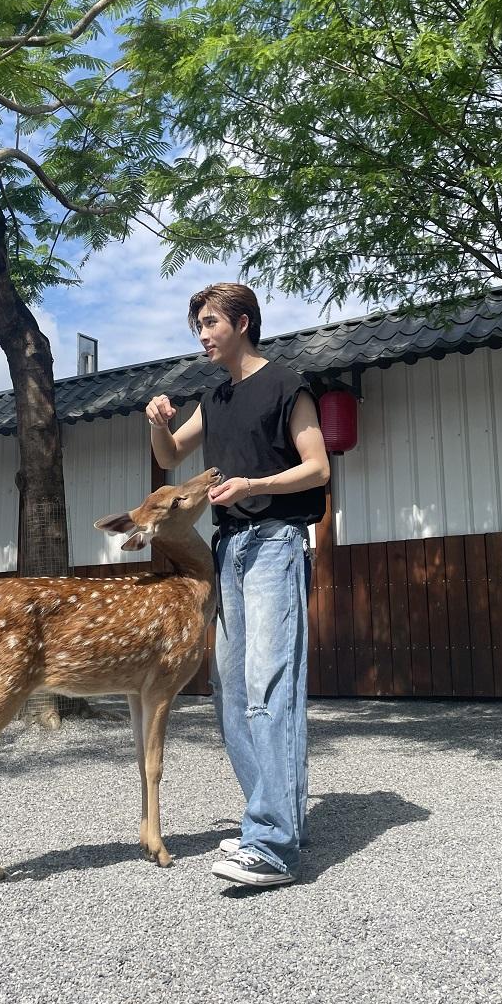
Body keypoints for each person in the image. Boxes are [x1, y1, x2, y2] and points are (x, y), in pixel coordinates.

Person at [146, 283, 330, 887]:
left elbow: (317, 466)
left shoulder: (286, 384)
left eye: (208, 323)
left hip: (275, 543)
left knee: (269, 687)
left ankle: (272, 844)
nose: (201, 334)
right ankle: (269, 820)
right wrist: (157, 422)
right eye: (197, 324)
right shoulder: (215, 396)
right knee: (230, 693)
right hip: (229, 552)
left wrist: (252, 485)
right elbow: (171, 457)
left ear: (241, 323)